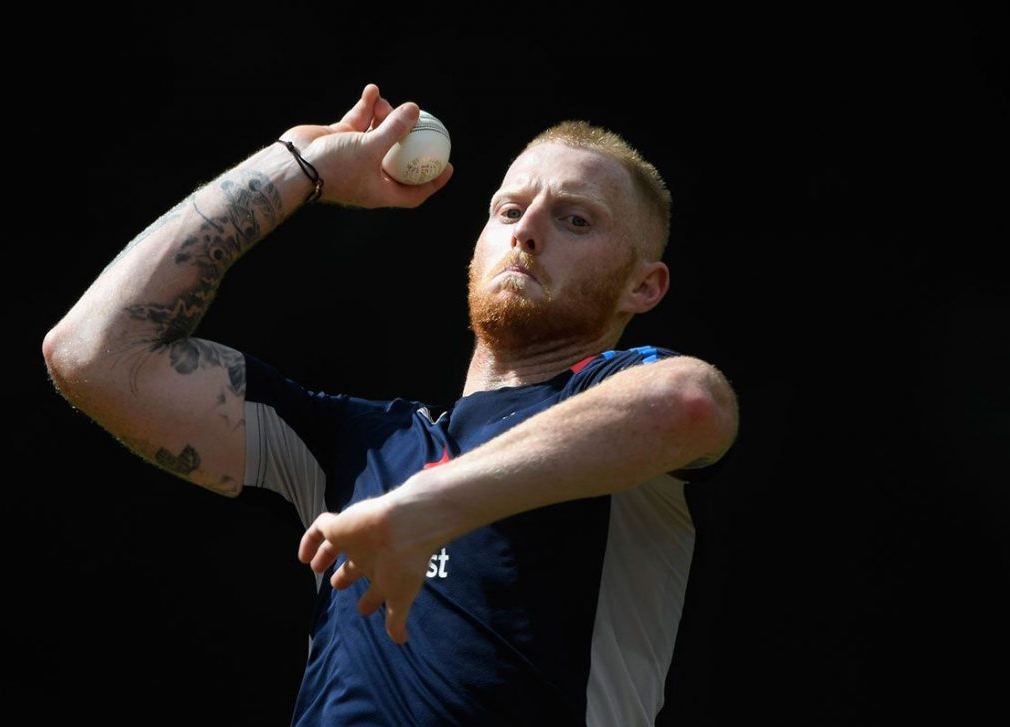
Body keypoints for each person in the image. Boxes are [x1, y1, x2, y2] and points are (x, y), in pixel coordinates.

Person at [42, 82, 739, 726]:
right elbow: (93, 354)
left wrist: (422, 508)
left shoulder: (618, 413)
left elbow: (689, 404)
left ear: (643, 288)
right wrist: (296, 165)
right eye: (508, 209)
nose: (527, 230)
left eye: (575, 219)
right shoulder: (354, 447)